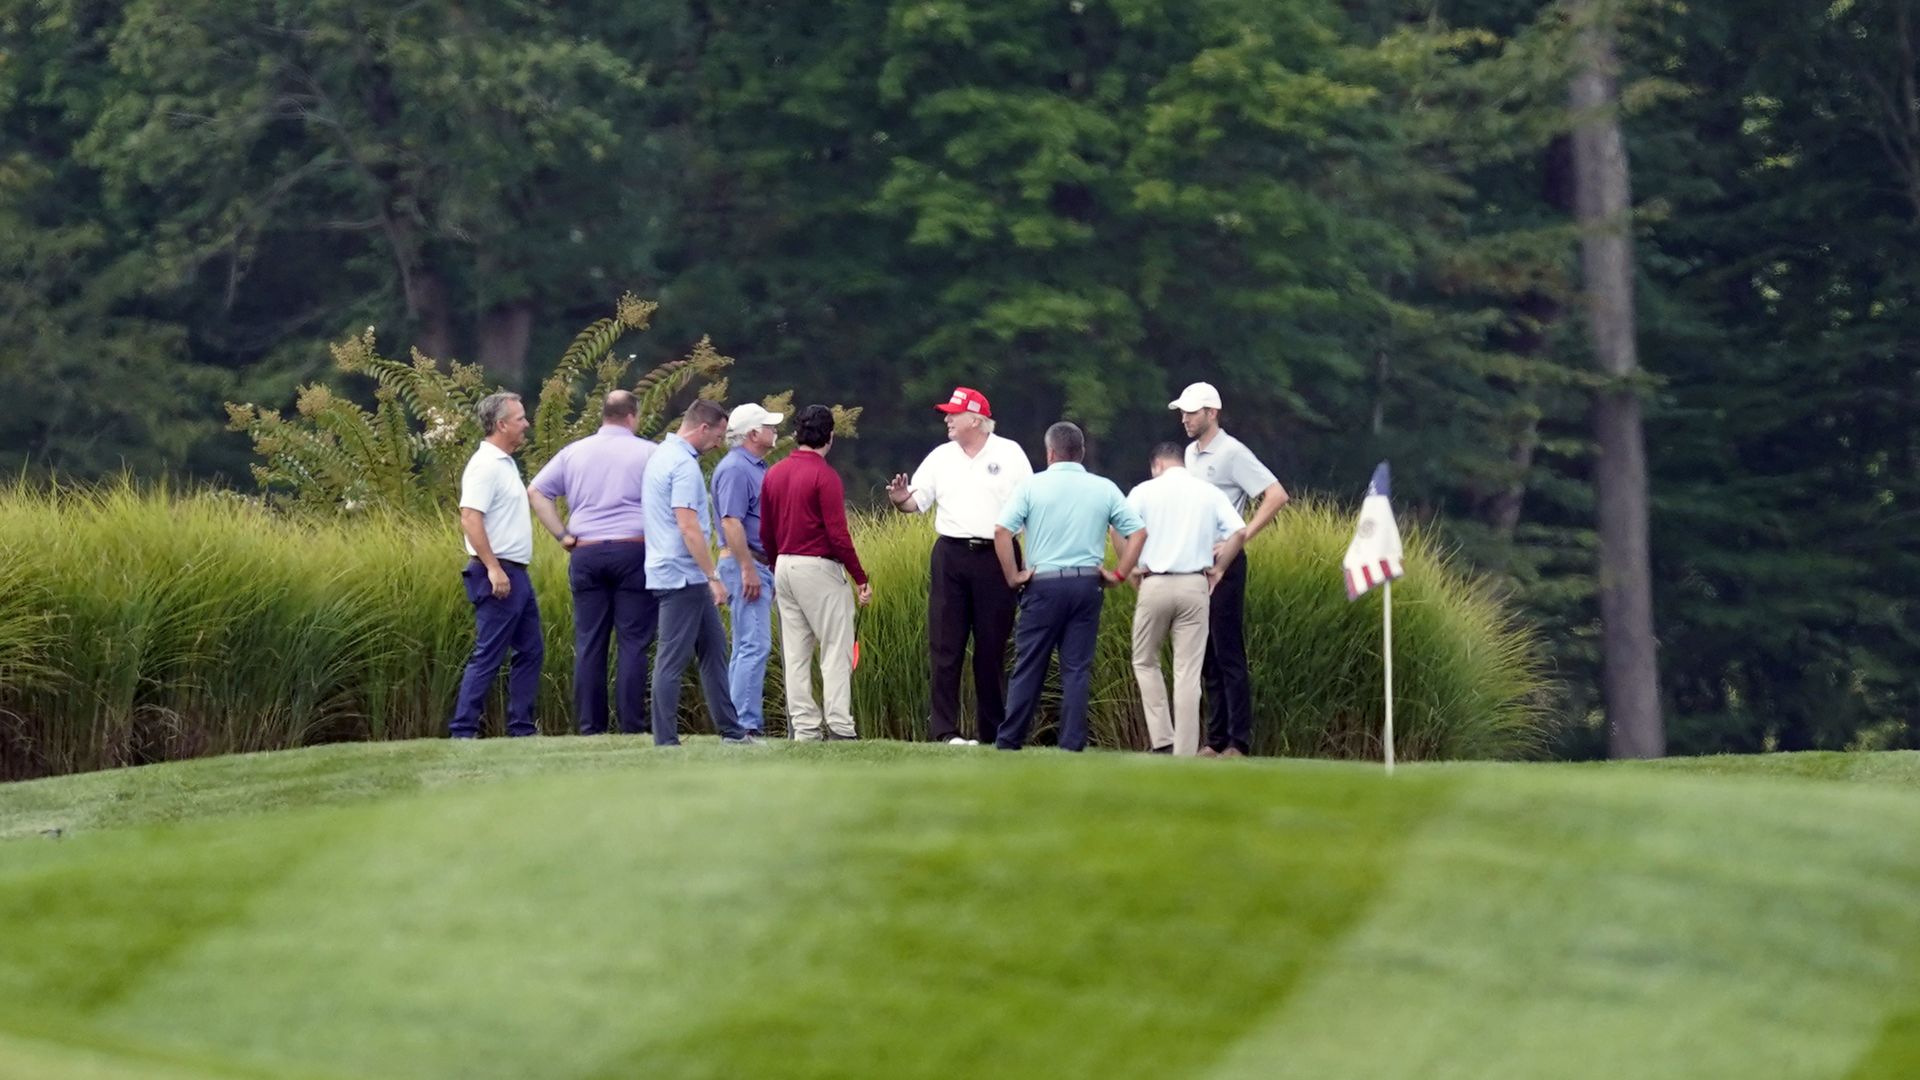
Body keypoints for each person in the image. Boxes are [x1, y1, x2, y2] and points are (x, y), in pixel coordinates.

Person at [884, 386, 1032, 745]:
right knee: (945, 646)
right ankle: (945, 731)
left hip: (997, 557)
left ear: (977, 419)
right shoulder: (941, 457)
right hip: (951, 555)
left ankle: (993, 731)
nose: (947, 419)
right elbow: (915, 503)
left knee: (992, 648)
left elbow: (1031, 509)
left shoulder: (1010, 453)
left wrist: (1031, 563)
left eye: (954, 413)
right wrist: (900, 499)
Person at [992, 422, 1144, 752]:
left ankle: (1010, 739)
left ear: (1049, 452)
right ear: (1082, 452)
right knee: (1076, 668)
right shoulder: (1103, 487)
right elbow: (1138, 533)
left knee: (1029, 663)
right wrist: (1119, 574)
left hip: (1043, 584)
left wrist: (1014, 576)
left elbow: (1002, 531)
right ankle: (1072, 743)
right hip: (1087, 584)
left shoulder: (1032, 486)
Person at [1170, 381, 1290, 758]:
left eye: (1192, 412)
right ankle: (1215, 738)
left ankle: (1238, 741)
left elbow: (1276, 495)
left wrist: (1241, 536)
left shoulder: (1233, 452)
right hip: (1196, 562)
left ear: (1212, 413)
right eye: (1183, 412)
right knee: (1205, 653)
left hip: (1226, 561)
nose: (1185, 418)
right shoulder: (1189, 454)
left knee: (1228, 652)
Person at [528, 390, 657, 736]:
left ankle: (590, 727)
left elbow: (537, 491)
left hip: (586, 551)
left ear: (605, 414)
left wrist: (562, 534)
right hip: (633, 549)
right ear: (632, 416)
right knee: (633, 641)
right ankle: (632, 726)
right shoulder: (648, 452)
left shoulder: (573, 453)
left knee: (590, 641)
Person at [641, 399, 754, 746]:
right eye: (719, 435)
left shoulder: (661, 455)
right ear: (703, 428)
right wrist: (713, 576)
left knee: (714, 651)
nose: (720, 443)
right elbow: (688, 526)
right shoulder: (684, 466)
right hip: (682, 575)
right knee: (672, 660)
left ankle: (732, 732)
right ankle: (665, 739)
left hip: (679, 572)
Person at [1124, 442, 1248, 756]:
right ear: (1181, 462)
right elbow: (1239, 532)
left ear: (1157, 465)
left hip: (1154, 582)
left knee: (1145, 660)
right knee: (1188, 671)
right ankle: (1185, 750)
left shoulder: (1143, 491)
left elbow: (1119, 525)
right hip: (1196, 584)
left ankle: (1162, 737)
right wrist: (1219, 569)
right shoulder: (1208, 492)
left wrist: (1130, 567)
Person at [760, 405, 871, 740]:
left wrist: (774, 564)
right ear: (830, 437)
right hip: (818, 567)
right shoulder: (825, 476)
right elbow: (838, 536)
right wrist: (860, 576)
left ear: (797, 434)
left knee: (795, 652)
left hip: (784, 565)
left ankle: (805, 728)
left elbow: (766, 531)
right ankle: (839, 724)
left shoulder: (774, 473)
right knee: (835, 648)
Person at [450, 391, 543, 739]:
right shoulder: (485, 465)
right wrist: (493, 568)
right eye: (520, 419)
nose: (526, 424)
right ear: (502, 424)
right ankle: (463, 729)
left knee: (531, 650)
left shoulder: (505, 464)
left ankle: (521, 728)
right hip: (498, 572)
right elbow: (470, 518)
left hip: (516, 572)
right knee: (488, 653)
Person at [712, 402, 784, 735]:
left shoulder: (754, 466)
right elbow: (731, 521)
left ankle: (737, 722)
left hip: (756, 564)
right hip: (745, 563)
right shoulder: (736, 469)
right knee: (753, 645)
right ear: (753, 433)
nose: (774, 431)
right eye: (768, 426)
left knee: (747, 645)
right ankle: (743, 724)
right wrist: (747, 569)